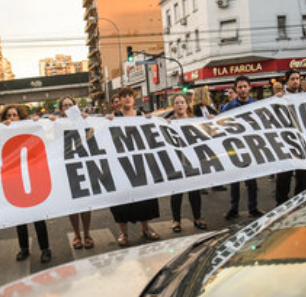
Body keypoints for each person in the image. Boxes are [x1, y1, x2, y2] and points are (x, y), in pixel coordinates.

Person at [107, 87, 160, 246]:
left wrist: (154, 121)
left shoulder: (142, 116)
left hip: (140, 162)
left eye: (130, 96)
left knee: (143, 197)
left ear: (134, 98)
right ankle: (123, 233)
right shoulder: (113, 118)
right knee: (122, 200)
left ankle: (145, 229)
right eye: (124, 96)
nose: (128, 99)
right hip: (121, 165)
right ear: (120, 100)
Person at [0, 105, 52, 263]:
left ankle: (45, 249)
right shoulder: (0, 132)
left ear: (20, 117)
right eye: (8, 115)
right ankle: (24, 248)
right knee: (19, 218)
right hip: (14, 179)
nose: (11, 117)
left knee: (38, 216)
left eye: (14, 115)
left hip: (32, 177)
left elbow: (47, 136)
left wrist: (37, 123)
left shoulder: (29, 130)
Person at [51, 97, 95, 250]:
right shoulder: (57, 123)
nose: (68, 108)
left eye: (71, 105)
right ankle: (77, 234)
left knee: (85, 203)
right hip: (67, 166)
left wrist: (90, 122)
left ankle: (87, 233)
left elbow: (92, 137)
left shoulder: (84, 121)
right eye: (65, 106)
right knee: (73, 204)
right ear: (61, 109)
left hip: (83, 163)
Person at [221, 76, 264, 220]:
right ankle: (234, 209)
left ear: (249, 88)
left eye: (245, 86)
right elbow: (220, 125)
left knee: (252, 182)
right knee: (235, 182)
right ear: (236, 89)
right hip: (234, 148)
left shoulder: (257, 105)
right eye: (240, 87)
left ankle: (253, 208)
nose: (243, 89)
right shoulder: (227, 107)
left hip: (251, 147)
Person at [168, 94, 207, 232]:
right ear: (173, 106)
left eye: (182, 102)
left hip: (192, 161)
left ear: (186, 105)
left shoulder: (194, 120)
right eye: (177, 102)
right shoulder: (168, 122)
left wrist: (210, 120)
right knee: (177, 192)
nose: (180, 105)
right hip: (176, 162)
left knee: (194, 192)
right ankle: (176, 221)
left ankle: (198, 218)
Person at [276, 69, 306, 206]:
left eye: (298, 78)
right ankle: (281, 205)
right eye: (293, 79)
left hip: (303, 144)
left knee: (304, 177)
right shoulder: (280, 98)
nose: (296, 81)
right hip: (286, 144)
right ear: (287, 81)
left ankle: (300, 203)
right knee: (284, 178)